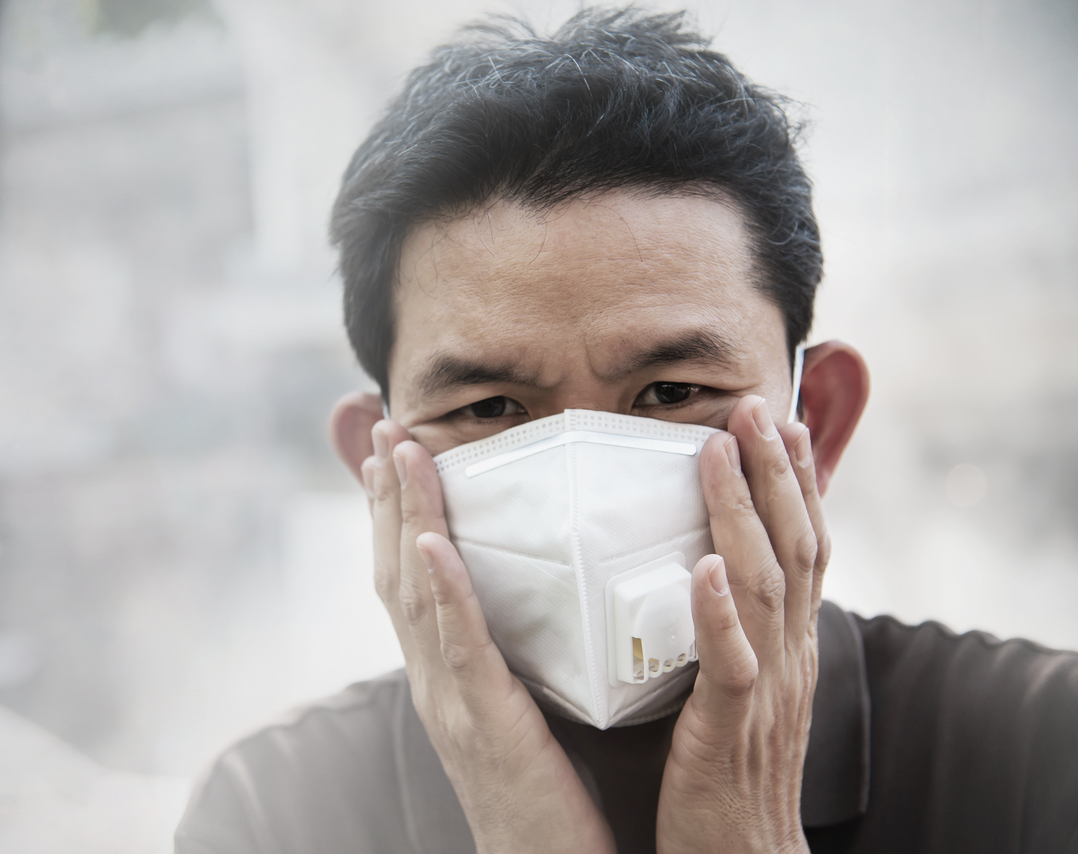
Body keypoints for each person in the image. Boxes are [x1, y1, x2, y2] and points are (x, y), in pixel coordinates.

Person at [175, 9, 1078, 853]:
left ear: (819, 420)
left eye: (670, 390)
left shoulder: (1039, 754)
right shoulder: (281, 811)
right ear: (376, 470)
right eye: (489, 408)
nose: (582, 509)